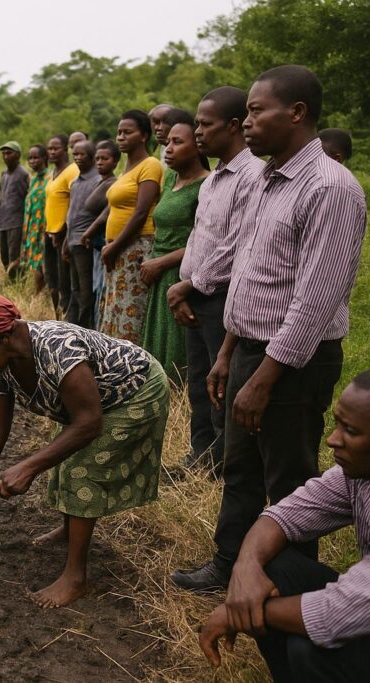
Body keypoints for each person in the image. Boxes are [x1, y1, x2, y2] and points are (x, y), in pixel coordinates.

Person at [172, 65, 367, 592]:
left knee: (290, 485)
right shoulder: (267, 180)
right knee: (240, 469)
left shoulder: (330, 188)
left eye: (258, 111)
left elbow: (314, 299)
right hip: (250, 350)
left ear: (297, 113)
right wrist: (228, 353)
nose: (248, 122)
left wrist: (264, 377)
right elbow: (250, 275)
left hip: (293, 361)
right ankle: (228, 565)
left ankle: (290, 590)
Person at [0, 295, 169, 608]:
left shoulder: (58, 349)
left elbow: (88, 424)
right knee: (61, 459)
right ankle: (70, 530)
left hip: (136, 390)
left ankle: (75, 578)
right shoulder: (1, 368)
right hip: (93, 406)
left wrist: (29, 467)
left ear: (4, 336)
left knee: (79, 470)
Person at [199, 372, 370, 682]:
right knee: (274, 564)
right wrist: (246, 567)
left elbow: (338, 613)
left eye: (350, 430)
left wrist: (242, 613)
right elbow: (286, 514)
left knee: (312, 652)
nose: (332, 439)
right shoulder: (356, 475)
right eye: (337, 424)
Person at [167, 86, 265, 475]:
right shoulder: (213, 180)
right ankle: (200, 455)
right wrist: (185, 283)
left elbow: (237, 244)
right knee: (197, 382)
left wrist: (189, 284)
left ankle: (222, 463)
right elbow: (200, 236)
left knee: (220, 380)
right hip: (194, 295)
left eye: (205, 124)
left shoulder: (252, 176)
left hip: (223, 295)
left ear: (235, 126)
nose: (199, 131)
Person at [140, 116, 209, 382]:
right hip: (158, 274)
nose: (168, 148)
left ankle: (181, 401)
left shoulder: (205, 186)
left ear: (197, 147)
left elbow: (203, 239)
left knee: (178, 348)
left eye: (177, 142)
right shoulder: (170, 180)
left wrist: (161, 263)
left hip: (181, 275)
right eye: (168, 141)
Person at [96, 111, 163, 344]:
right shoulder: (127, 168)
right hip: (118, 249)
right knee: (115, 308)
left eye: (128, 132)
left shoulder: (150, 165)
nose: (121, 137)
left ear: (144, 136)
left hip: (136, 248)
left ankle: (133, 367)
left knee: (130, 312)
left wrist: (115, 247)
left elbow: (141, 213)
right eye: (119, 132)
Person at [63, 140, 103, 328]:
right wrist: (66, 241)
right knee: (75, 288)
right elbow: (71, 214)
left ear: (92, 157)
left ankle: (84, 328)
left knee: (86, 290)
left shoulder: (98, 181)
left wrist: (87, 235)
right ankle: (74, 326)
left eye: (82, 155)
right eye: (75, 155)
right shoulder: (75, 182)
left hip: (85, 243)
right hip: (72, 241)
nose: (78, 158)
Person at [80, 141, 120, 329]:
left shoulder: (112, 183)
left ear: (115, 162)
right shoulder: (100, 182)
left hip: (105, 243)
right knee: (95, 287)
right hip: (96, 246)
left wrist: (89, 231)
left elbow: (102, 211)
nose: (100, 162)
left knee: (100, 289)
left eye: (105, 159)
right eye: (97, 159)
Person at [44, 135, 79, 316]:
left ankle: (66, 318)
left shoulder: (72, 171)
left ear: (66, 149)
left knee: (64, 281)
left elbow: (75, 203)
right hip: (50, 232)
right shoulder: (53, 173)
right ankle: (56, 315)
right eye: (49, 148)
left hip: (63, 234)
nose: (51, 152)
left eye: (56, 148)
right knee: (52, 278)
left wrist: (65, 231)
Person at [14, 144, 49, 291]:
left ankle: (40, 296)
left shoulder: (50, 179)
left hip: (44, 229)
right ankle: (38, 295)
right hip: (31, 230)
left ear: (44, 158)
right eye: (30, 158)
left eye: (36, 158)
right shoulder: (33, 180)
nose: (32, 161)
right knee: (35, 264)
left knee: (42, 265)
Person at [0, 141, 29, 278]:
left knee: (15, 257)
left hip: (16, 222)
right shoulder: (4, 175)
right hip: (3, 221)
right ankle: (12, 282)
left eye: (9, 153)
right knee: (4, 257)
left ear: (18, 155)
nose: (6, 156)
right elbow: (1, 201)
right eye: (3, 153)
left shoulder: (23, 175)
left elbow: (27, 200)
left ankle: (18, 284)